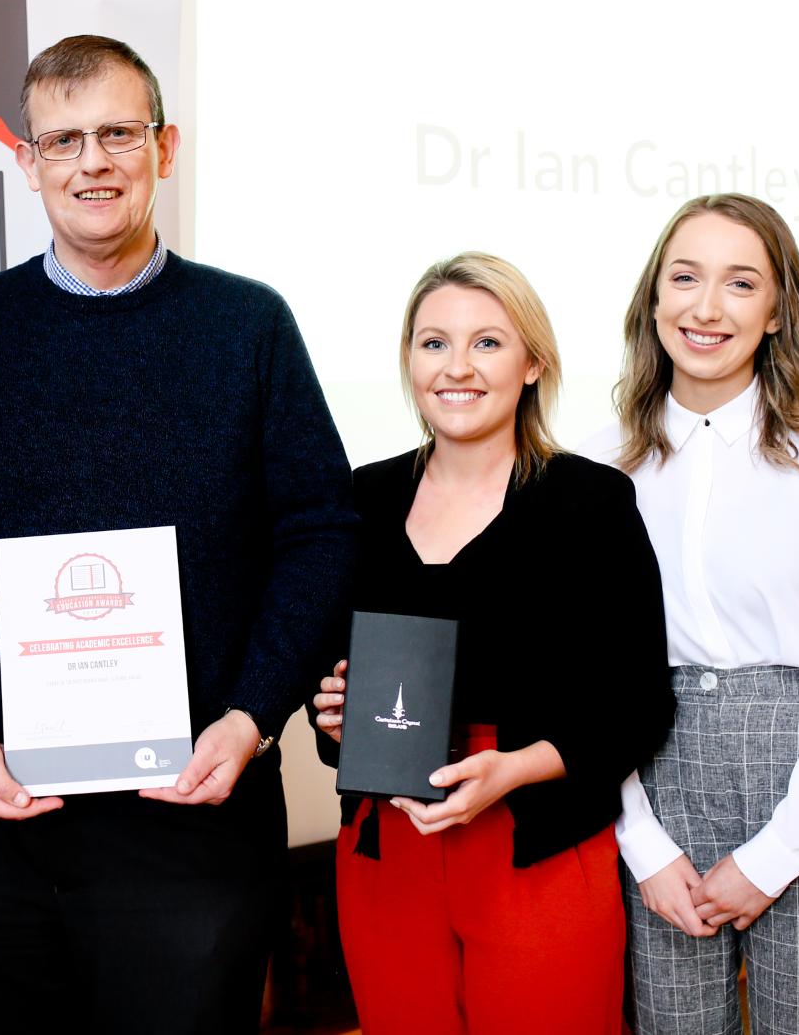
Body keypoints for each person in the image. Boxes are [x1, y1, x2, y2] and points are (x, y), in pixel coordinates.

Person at [0, 35, 355, 1034]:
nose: (93, 163)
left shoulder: (248, 326)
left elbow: (320, 535)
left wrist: (251, 718)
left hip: (191, 823)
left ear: (165, 148)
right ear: (27, 162)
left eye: (119, 134)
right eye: (63, 140)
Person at [312, 252, 674, 1035]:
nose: (457, 367)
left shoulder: (590, 502)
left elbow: (639, 703)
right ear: (409, 360)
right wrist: (335, 716)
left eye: (487, 342)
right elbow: (336, 679)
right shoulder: (361, 498)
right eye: (434, 343)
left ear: (532, 363)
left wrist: (515, 768)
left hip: (534, 843)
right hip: (387, 845)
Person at [592, 194, 799, 1035]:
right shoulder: (602, 467)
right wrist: (645, 847)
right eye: (684, 278)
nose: (706, 308)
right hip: (656, 785)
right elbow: (591, 682)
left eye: (740, 283)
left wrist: (775, 857)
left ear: (776, 312)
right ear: (652, 299)